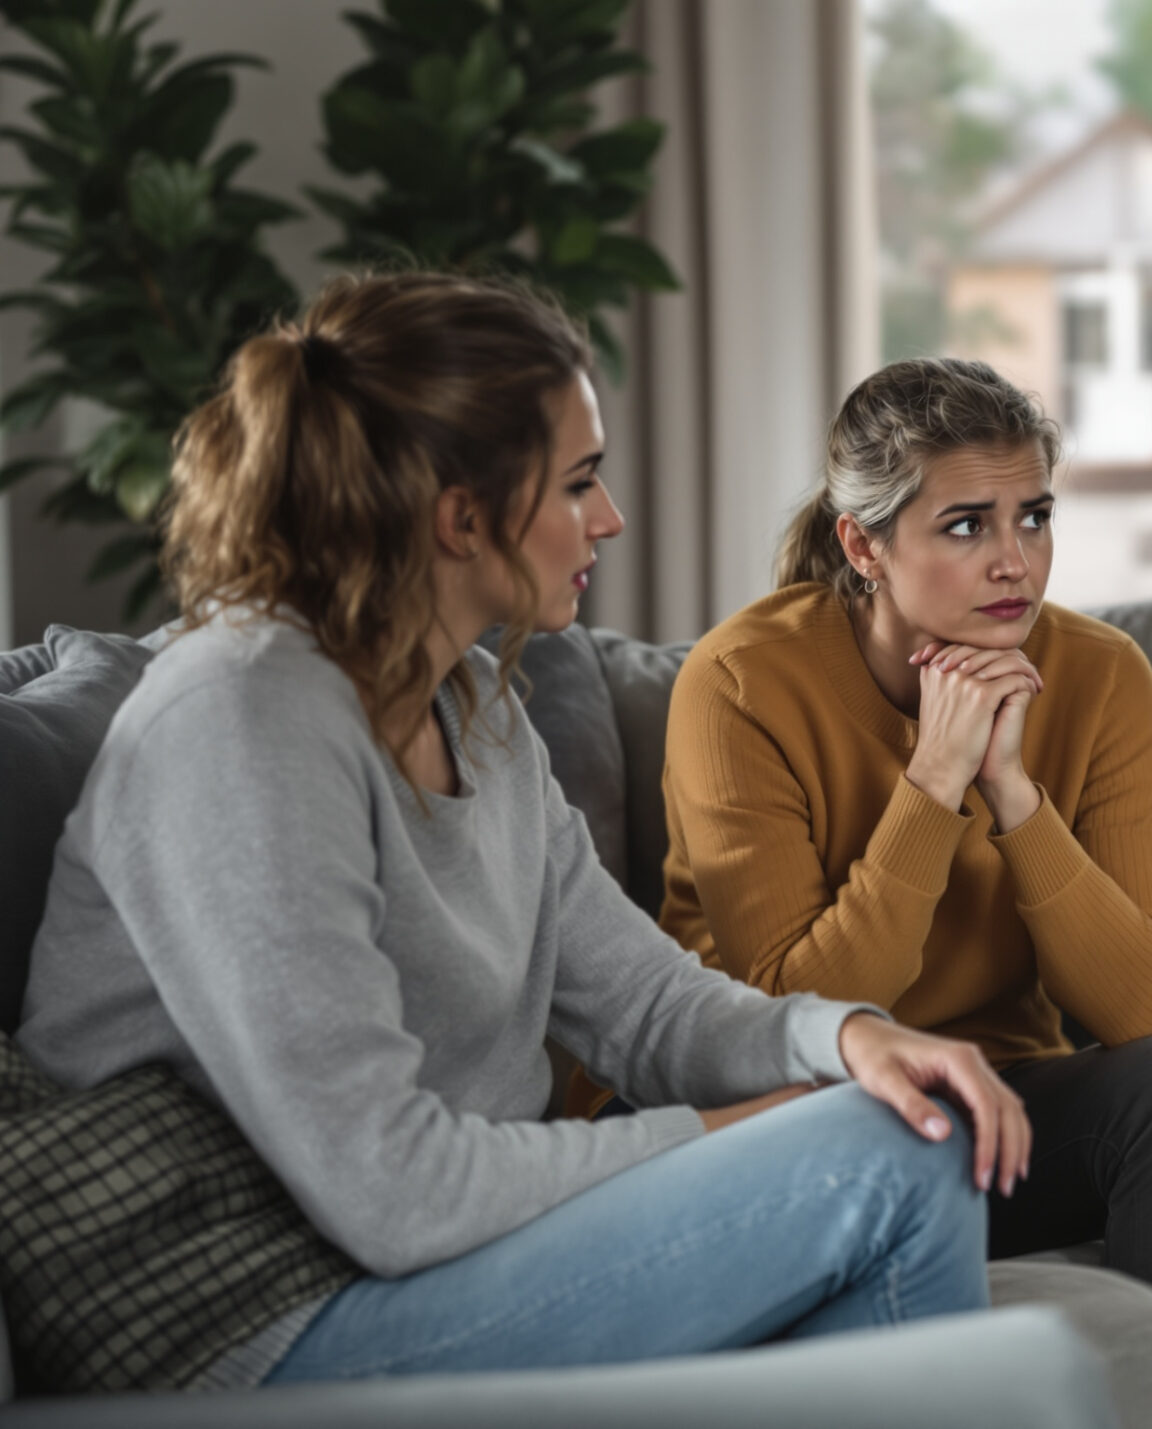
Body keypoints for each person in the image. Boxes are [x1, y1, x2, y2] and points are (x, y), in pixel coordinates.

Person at [12, 273, 1025, 1388]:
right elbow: (391, 1191)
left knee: (897, 1109)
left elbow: (644, 1003)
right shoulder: (242, 717)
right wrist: (738, 1129)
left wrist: (838, 1041)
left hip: (420, 1267)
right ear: (462, 516)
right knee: (896, 1151)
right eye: (580, 481)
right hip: (248, 1321)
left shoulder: (473, 711)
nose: (611, 519)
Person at [653, 357, 1152, 1395]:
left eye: (1034, 516)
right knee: (833, 1091)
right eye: (967, 524)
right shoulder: (741, 680)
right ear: (864, 544)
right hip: (793, 1114)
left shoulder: (1102, 675)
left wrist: (1012, 792)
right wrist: (932, 779)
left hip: (998, 1109)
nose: (1015, 561)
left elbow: (1139, 1003)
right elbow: (790, 1015)